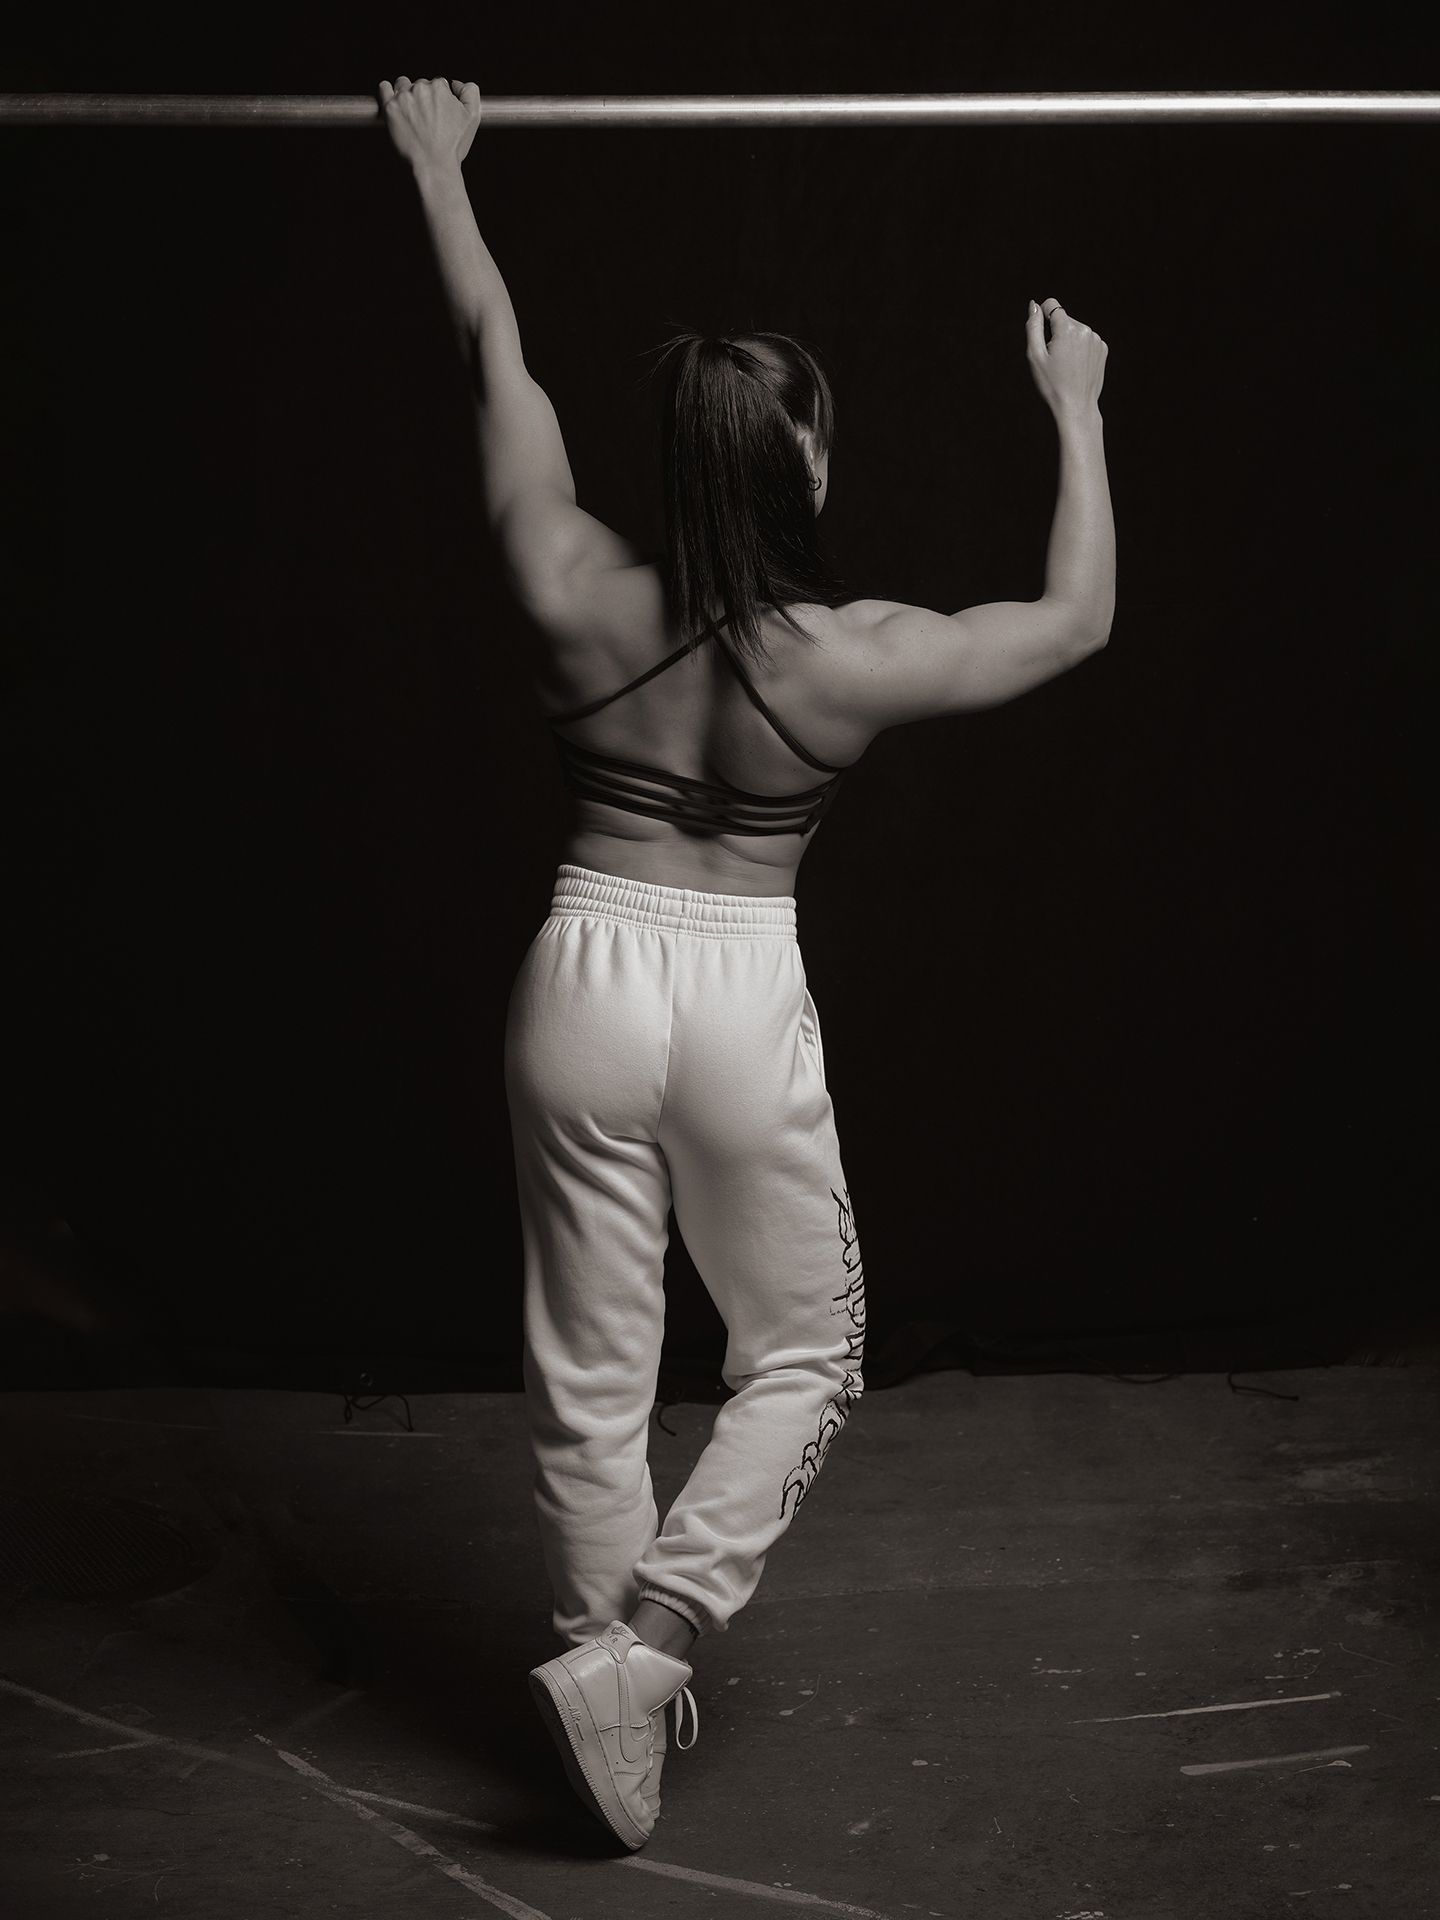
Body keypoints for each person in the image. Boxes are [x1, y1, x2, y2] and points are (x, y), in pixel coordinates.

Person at [379, 75, 1115, 1850]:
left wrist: (435, 170)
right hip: (728, 987)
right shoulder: (849, 657)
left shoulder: (568, 579)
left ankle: (600, 1675)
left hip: (580, 970)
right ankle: (650, 1646)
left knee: (591, 1371)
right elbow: (1077, 618)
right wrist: (1076, 410)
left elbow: (497, 345)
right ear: (799, 464)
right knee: (800, 1352)